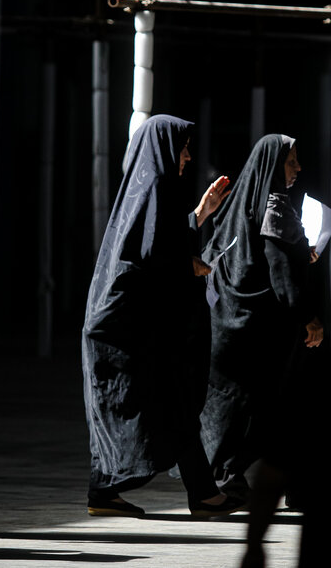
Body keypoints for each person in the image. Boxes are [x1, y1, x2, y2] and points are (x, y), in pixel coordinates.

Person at [82, 114, 241, 518]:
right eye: (184, 147)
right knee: (157, 403)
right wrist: (189, 266)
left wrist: (200, 214)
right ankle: (198, 494)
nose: (187, 156)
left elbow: (158, 242)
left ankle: (111, 492)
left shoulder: (150, 188)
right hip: (124, 328)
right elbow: (152, 257)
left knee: (163, 404)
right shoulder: (153, 186)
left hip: (134, 324)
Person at [198, 134, 322, 500]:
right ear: (272, 165)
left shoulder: (243, 203)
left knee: (234, 403)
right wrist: (308, 318)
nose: (298, 168)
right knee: (270, 405)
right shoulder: (275, 207)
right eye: (291, 161)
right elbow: (280, 272)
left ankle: (225, 475)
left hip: (226, 320)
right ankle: (248, 478)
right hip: (255, 331)